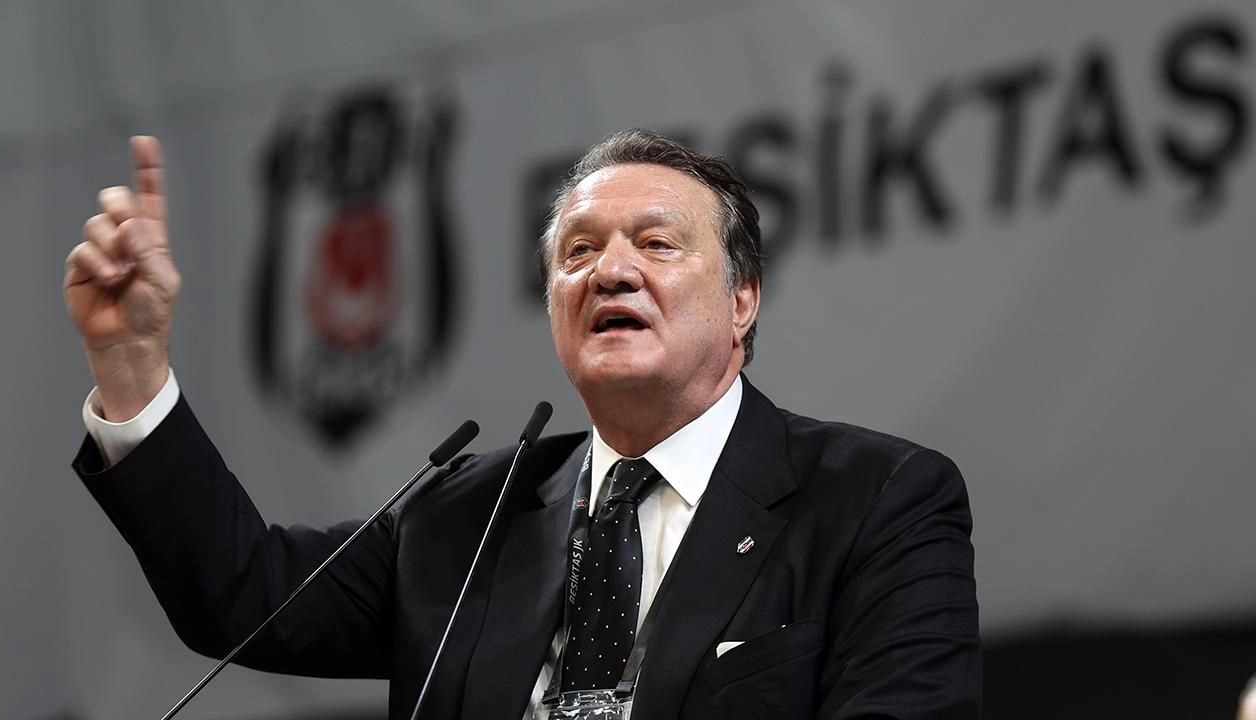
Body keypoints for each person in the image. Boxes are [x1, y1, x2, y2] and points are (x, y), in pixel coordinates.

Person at [65, 129, 981, 719]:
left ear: (742, 299)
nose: (609, 271)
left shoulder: (876, 502)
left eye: (656, 244)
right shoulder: (462, 516)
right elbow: (245, 596)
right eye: (578, 252)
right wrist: (131, 360)